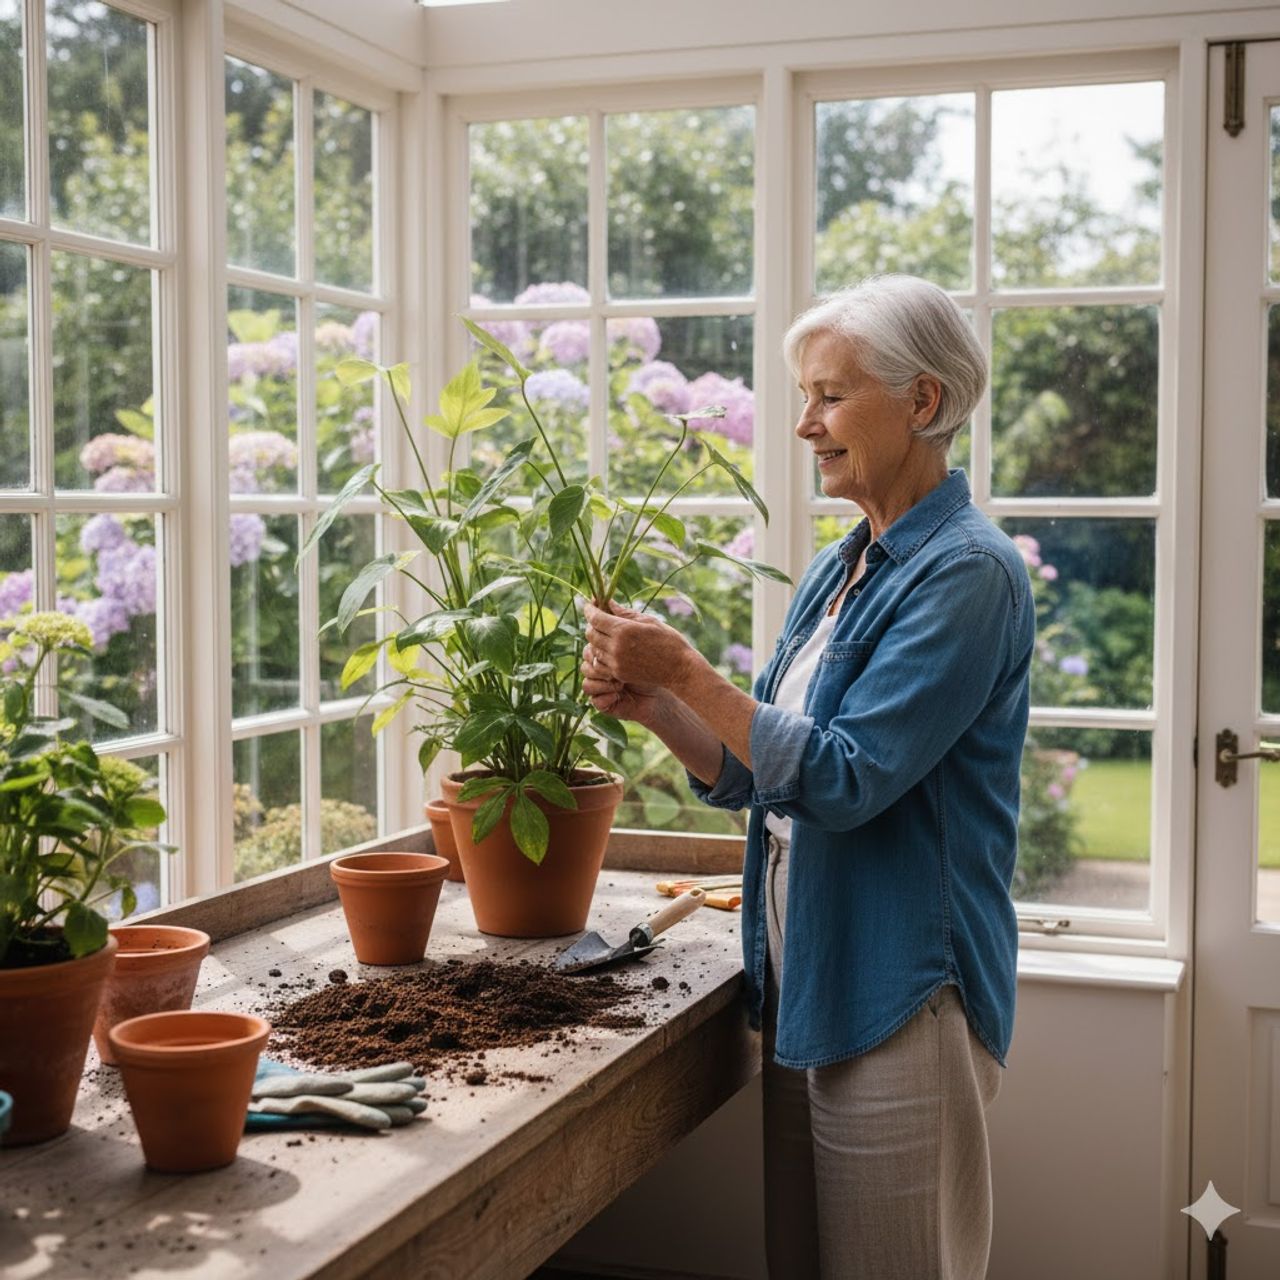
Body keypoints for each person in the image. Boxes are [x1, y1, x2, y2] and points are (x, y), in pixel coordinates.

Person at [581, 273, 1034, 1280]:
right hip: (808, 968)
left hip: (902, 981)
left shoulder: (968, 571)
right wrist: (657, 705)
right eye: (803, 396)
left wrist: (689, 671)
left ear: (920, 401)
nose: (803, 424)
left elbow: (845, 778)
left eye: (828, 395)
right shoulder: (845, 565)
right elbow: (762, 773)